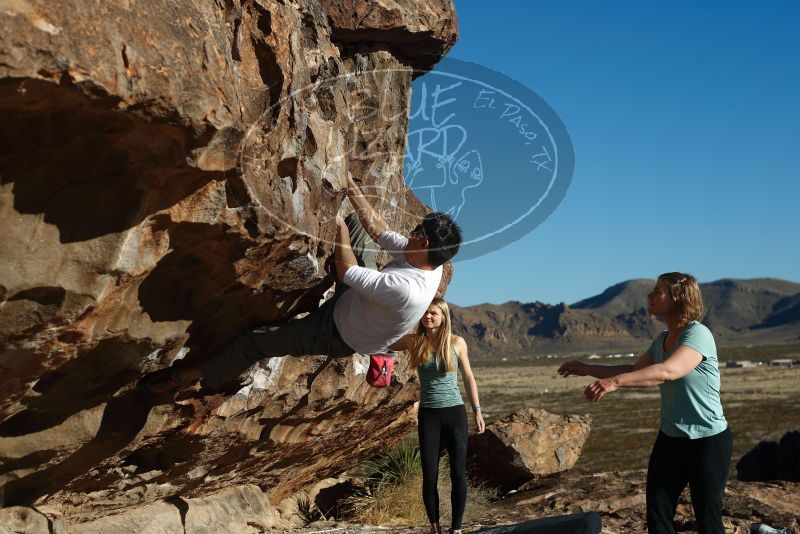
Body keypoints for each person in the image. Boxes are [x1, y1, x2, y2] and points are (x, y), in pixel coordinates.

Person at [140, 173, 462, 393]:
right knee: (361, 228)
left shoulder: (408, 287)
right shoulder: (423, 258)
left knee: (254, 341)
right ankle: (345, 240)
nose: (412, 231)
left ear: (424, 246)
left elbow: (346, 269)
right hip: (359, 303)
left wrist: (339, 229)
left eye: (418, 231)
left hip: (340, 332)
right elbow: (377, 228)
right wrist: (350, 187)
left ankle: (182, 377)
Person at [557, 273, 731, 534]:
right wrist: (588, 368)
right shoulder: (662, 339)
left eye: (658, 291)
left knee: (708, 518)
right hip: (671, 438)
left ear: (677, 298)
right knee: (658, 513)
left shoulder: (698, 334)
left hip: (707, 441)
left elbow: (668, 371)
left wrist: (613, 383)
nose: (650, 296)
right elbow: (634, 368)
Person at [390, 297, 485, 534]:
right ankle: (435, 528)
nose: (428, 316)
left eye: (434, 313)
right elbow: (386, 343)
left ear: (443, 316)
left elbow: (468, 377)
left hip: (455, 413)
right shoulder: (414, 341)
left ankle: (456, 528)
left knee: (457, 472)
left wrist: (477, 410)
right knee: (429, 474)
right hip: (429, 415)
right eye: (425, 313)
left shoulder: (457, 343)